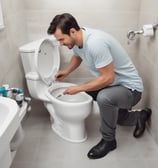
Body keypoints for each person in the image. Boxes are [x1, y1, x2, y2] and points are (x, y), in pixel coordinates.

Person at [47, 13, 152, 159]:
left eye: (61, 40)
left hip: (131, 89)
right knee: (92, 96)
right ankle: (139, 116)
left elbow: (108, 78)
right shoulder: (79, 38)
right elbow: (77, 56)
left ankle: (109, 141)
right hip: (115, 86)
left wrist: (79, 88)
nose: (61, 44)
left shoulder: (95, 43)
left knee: (103, 97)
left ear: (72, 31)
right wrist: (66, 72)